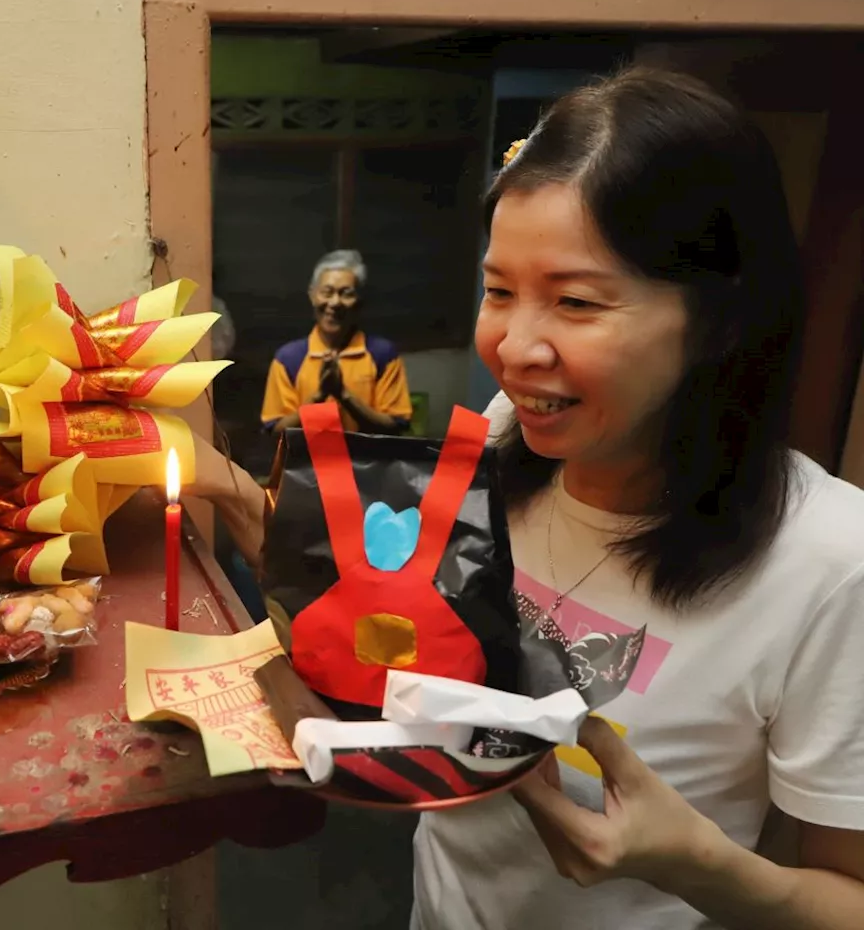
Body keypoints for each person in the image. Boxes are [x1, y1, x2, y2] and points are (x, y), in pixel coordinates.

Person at [187, 67, 864, 929]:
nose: (514, 345)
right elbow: (379, 606)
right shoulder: (511, 433)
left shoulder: (833, 567)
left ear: (720, 321)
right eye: (499, 289)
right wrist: (220, 483)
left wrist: (697, 867)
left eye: (576, 301)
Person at [260, 249, 412, 435]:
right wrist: (318, 396)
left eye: (346, 293)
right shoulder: (289, 358)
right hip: (307, 463)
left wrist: (344, 395)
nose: (335, 303)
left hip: (367, 462)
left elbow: (395, 425)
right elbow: (276, 430)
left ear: (359, 300)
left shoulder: (382, 354)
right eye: (327, 292)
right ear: (312, 295)